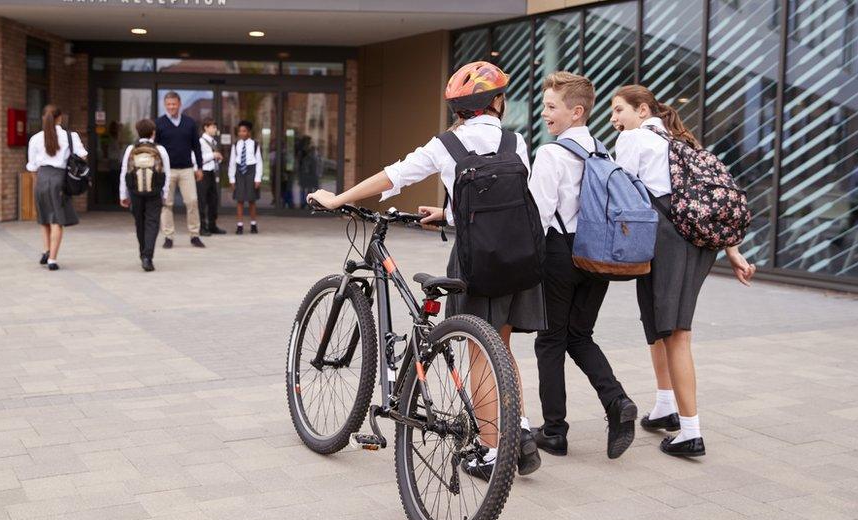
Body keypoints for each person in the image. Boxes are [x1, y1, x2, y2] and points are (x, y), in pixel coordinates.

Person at [307, 61, 544, 481]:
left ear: (459, 108)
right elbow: (502, 200)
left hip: (478, 262)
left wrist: (339, 198)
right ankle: (519, 432)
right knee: (500, 349)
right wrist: (449, 211)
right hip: (521, 257)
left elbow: (392, 177)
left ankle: (492, 453)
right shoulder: (517, 141)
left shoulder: (446, 144)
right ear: (496, 102)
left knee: (478, 355)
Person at [610, 84, 756, 458]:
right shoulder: (679, 140)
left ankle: (690, 432)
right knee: (660, 325)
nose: (614, 120)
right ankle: (665, 406)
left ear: (643, 111)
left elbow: (621, 197)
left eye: (619, 111)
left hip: (665, 239)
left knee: (675, 333)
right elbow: (707, 203)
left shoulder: (635, 140)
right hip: (696, 243)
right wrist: (733, 252)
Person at [530, 72, 638, 460]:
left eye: (551, 107)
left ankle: (555, 431)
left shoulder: (551, 153)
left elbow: (538, 215)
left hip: (560, 252)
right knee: (580, 335)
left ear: (576, 112)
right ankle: (617, 402)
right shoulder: (602, 151)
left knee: (550, 341)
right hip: (598, 254)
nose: (545, 114)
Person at [26, 104, 86, 271]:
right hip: (59, 178)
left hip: (41, 178)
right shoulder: (70, 136)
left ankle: (46, 250)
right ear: (60, 118)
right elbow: (83, 155)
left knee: (44, 218)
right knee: (56, 221)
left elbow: (32, 166)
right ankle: (52, 259)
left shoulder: (36, 138)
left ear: (43, 118)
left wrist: (36, 183)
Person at [119, 118, 171, 272]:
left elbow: (124, 172)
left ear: (138, 132)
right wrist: (165, 193)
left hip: (135, 192)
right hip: (155, 192)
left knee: (139, 223)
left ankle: (143, 253)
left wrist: (123, 194)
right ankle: (148, 256)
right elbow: (167, 173)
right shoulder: (160, 150)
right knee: (152, 223)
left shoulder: (130, 149)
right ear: (153, 133)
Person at [156, 91, 205, 248]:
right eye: (168, 104)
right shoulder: (159, 123)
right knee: (166, 204)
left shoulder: (190, 123)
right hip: (167, 171)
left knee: (192, 201)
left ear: (179, 104)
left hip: (186, 170)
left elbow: (196, 147)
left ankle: (194, 235)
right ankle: (168, 237)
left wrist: (200, 167)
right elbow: (155, 149)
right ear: (165, 105)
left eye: (174, 104)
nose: (171, 107)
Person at [228, 120, 263, 234]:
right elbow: (232, 162)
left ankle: (253, 224)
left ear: (248, 132)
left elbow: (259, 162)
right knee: (240, 200)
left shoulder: (255, 144)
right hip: (239, 172)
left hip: (251, 172)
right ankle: (240, 225)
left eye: (244, 131)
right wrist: (232, 179)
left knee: (252, 200)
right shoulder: (236, 144)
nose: (241, 133)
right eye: (239, 131)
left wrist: (257, 178)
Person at [197, 118, 226, 235]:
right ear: (206, 128)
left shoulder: (213, 142)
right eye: (213, 127)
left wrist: (217, 159)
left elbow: (212, 159)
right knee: (202, 201)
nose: (215, 129)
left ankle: (212, 225)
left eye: (215, 127)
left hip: (211, 173)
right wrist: (213, 155)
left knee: (213, 200)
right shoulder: (200, 142)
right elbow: (199, 159)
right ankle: (202, 227)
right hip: (203, 174)